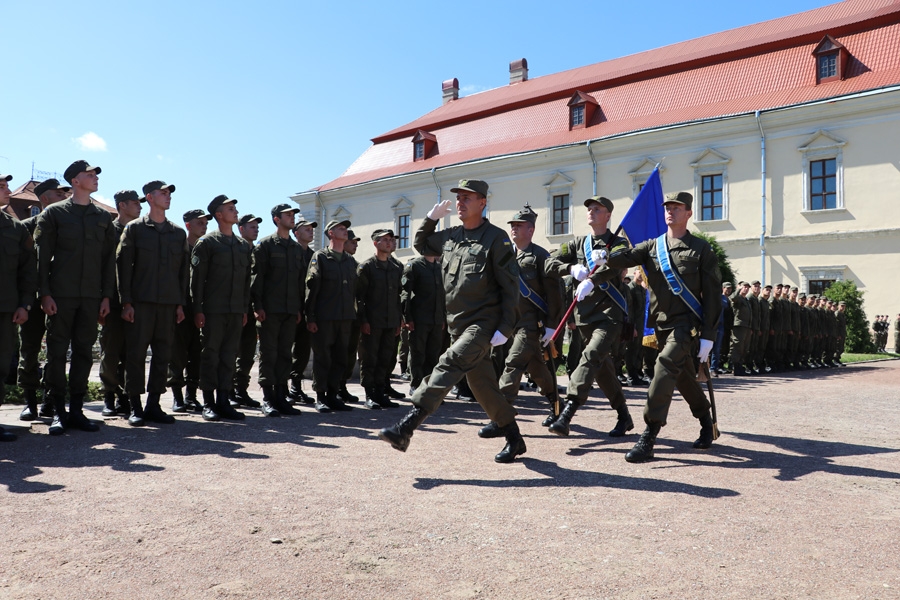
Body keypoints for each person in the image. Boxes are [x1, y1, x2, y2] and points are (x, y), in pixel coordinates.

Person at [378, 179, 524, 463]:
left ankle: (406, 427)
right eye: (458, 198)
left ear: (483, 202)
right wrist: (431, 219)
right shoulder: (451, 236)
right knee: (484, 388)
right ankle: (515, 439)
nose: (460, 202)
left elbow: (511, 286)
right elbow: (421, 244)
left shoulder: (497, 238)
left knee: (449, 363)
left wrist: (506, 327)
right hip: (457, 325)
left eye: (467, 198)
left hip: (483, 324)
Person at [605, 191, 722, 462]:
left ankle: (649, 433)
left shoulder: (701, 249)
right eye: (667, 207)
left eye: (677, 207)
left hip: (686, 326)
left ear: (689, 213)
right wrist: (608, 249)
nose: (670, 211)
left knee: (664, 367)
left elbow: (713, 296)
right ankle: (706, 420)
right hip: (660, 326)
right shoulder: (651, 246)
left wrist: (709, 336)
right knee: (681, 376)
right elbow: (623, 259)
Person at [34, 160, 117, 435]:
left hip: (91, 297)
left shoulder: (103, 218)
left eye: (96, 174)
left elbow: (108, 262)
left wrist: (106, 297)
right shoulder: (54, 214)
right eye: (89, 174)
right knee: (57, 353)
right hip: (61, 295)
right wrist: (44, 293)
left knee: (84, 353)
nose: (95, 178)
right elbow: (42, 258)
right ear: (75, 181)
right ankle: (57, 410)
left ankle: (77, 410)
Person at [546, 196, 633, 437]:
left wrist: (595, 277)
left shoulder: (617, 243)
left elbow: (620, 262)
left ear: (608, 216)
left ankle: (568, 412)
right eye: (589, 209)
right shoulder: (578, 244)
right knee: (602, 369)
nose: (591, 212)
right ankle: (624, 416)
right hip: (584, 317)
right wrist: (570, 269)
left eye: (598, 209)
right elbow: (549, 263)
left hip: (609, 316)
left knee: (590, 356)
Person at [477, 204, 563, 434]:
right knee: (537, 370)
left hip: (532, 324)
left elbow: (554, 293)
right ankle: (558, 406)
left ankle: (500, 417)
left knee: (513, 364)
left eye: (519, 225)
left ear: (531, 230)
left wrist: (552, 325)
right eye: (512, 225)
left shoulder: (540, 256)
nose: (514, 229)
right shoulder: (508, 256)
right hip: (512, 323)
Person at [117, 180, 188, 426]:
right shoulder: (135, 229)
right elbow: (123, 267)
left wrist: (180, 304)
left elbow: (183, 273)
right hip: (141, 303)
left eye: (170, 192)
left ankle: (154, 405)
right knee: (135, 355)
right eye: (163, 192)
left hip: (168, 304)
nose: (168, 196)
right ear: (149, 197)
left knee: (162, 355)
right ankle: (135, 407)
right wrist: (126, 302)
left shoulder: (178, 233)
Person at [191, 195, 251, 421]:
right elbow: (197, 280)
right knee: (211, 354)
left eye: (235, 208)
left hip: (235, 311)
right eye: (230, 209)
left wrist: (244, 309)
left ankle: (224, 400)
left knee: (229, 355)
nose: (235, 212)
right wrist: (198, 309)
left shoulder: (242, 246)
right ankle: (208, 402)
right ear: (218, 215)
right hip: (213, 310)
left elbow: (246, 282)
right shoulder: (207, 243)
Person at [17, 178, 70, 421]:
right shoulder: (25, 226)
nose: (64, 197)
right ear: (45, 199)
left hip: (59, 297)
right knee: (29, 349)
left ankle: (51, 400)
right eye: (58, 194)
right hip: (32, 298)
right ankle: (29, 401)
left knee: (56, 352)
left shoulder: (68, 228)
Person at [250, 204, 304, 417]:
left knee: (284, 354)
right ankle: (268, 398)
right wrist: (258, 306)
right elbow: (257, 279)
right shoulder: (265, 246)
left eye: (293, 215)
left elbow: (300, 283)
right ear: (276, 219)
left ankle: (281, 397)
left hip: (290, 310)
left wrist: (298, 308)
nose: (292, 218)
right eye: (288, 215)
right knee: (269, 353)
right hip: (270, 310)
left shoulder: (296, 249)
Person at [98, 190, 142, 419]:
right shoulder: (109, 231)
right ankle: (108, 396)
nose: (140, 207)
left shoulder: (142, 232)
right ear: (122, 205)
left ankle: (127, 397)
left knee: (131, 352)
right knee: (111, 350)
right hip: (113, 300)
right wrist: (103, 298)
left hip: (137, 300)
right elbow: (103, 266)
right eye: (135, 203)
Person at [305, 219, 357, 411]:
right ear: (331, 234)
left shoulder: (350, 261)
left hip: (345, 317)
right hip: (324, 317)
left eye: (346, 229)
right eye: (341, 229)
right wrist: (310, 317)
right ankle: (321, 396)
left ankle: (333, 395)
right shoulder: (320, 257)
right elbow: (311, 289)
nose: (346, 231)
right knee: (323, 358)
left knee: (340, 358)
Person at [0, 173, 37, 442]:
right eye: (2, 187)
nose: (8, 190)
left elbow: (27, 271)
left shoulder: (16, 228)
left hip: (5, 310)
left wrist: (25, 304)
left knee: (1, 365)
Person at [356, 229, 404, 409]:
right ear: (375, 243)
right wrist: (364, 321)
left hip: (391, 321)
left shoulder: (396, 267)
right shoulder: (367, 267)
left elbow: (399, 295)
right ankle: (370, 394)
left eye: (391, 240)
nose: (389, 243)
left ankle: (381, 391)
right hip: (373, 321)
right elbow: (360, 297)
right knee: (370, 358)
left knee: (386, 358)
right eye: (385, 240)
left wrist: (399, 319)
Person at [168, 209, 208, 413]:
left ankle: (191, 396)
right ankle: (177, 397)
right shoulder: (179, 247)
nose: (205, 226)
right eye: (199, 223)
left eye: (206, 222)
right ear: (188, 225)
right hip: (181, 306)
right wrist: (177, 305)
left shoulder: (206, 248)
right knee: (177, 353)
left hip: (200, 307)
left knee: (197, 353)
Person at [401, 252, 445, 393]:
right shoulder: (414, 266)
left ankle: (429, 387)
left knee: (433, 355)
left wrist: (442, 317)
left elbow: (443, 295)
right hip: (419, 319)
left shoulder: (439, 267)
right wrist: (407, 317)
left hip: (436, 320)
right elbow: (405, 294)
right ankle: (416, 385)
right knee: (417, 353)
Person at [231, 213, 263, 410]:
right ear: (241, 229)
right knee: (231, 351)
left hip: (253, 310)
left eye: (257, 227)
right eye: (251, 226)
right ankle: (228, 391)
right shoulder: (234, 248)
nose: (256, 229)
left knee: (248, 354)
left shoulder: (259, 252)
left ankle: (241, 390)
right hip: (235, 308)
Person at [288, 218, 317, 404]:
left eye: (311, 229)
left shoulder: (314, 255)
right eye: (306, 229)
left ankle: (296, 387)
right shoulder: (290, 252)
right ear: (296, 233)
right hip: (291, 308)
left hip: (308, 310)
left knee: (303, 351)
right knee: (285, 350)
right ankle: (283, 388)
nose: (310, 231)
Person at [339, 229, 362, 404]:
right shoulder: (330, 260)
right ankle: (333, 389)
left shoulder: (355, 264)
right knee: (337, 353)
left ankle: (342, 386)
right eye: (352, 242)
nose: (355, 245)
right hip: (338, 315)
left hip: (353, 316)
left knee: (349, 353)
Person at [729, 282, 752, 375]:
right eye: (744, 287)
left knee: (744, 347)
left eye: (747, 287)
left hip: (746, 326)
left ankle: (740, 365)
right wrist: (738, 289)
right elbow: (733, 298)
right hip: (739, 325)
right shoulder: (738, 297)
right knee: (737, 345)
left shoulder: (746, 300)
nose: (746, 289)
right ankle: (735, 366)